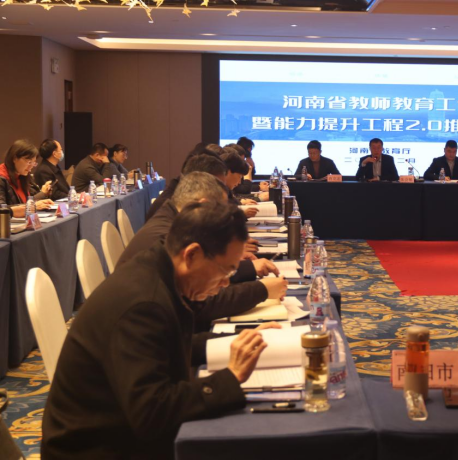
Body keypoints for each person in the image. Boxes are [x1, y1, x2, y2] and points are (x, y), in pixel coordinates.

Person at [42, 201, 274, 459]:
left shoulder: (160, 270)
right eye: (226, 270)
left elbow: (174, 345)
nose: (226, 283)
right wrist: (229, 378)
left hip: (117, 431)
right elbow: (152, 413)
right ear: (192, 255)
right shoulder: (143, 304)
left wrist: (237, 341)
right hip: (95, 449)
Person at [117, 172, 286, 328]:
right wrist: (260, 290)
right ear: (203, 205)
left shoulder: (175, 224)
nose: (225, 282)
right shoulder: (164, 239)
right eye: (220, 210)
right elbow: (201, 304)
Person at [146, 146, 227, 221]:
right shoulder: (174, 206)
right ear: (201, 179)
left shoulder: (179, 194)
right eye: (219, 186)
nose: (222, 191)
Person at [0, 140, 54, 217]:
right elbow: (2, 210)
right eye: (29, 162)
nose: (31, 166)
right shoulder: (2, 178)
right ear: (14, 158)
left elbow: (25, 201)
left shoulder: (22, 176)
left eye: (33, 162)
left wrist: (38, 202)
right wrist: (33, 206)